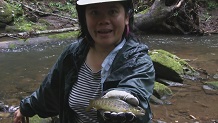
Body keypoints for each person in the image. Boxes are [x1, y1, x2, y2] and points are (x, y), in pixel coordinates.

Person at [13, 0, 155, 123]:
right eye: (94, 13)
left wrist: (123, 97)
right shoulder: (73, 54)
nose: (104, 20)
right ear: (84, 18)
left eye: (112, 11)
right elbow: (50, 92)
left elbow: (137, 90)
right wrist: (25, 108)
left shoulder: (139, 61)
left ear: (126, 17)